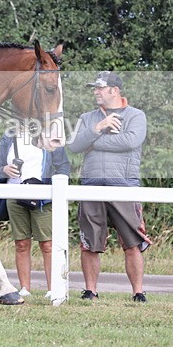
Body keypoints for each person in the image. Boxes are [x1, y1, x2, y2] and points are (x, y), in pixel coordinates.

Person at [68, 71, 151, 303]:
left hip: (124, 185)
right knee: (89, 243)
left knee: (132, 243)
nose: (95, 91)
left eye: (100, 88)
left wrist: (94, 142)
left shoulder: (136, 115)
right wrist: (98, 128)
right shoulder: (87, 117)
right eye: (94, 88)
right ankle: (90, 290)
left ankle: (138, 292)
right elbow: (74, 145)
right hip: (91, 185)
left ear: (114, 91)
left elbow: (131, 141)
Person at [0, 127, 71, 298]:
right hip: (14, 194)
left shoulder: (50, 133)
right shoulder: (9, 136)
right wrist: (4, 170)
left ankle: (53, 289)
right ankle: (25, 289)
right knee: (21, 243)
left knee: (48, 245)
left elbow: (63, 166)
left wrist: (55, 189)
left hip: (42, 196)